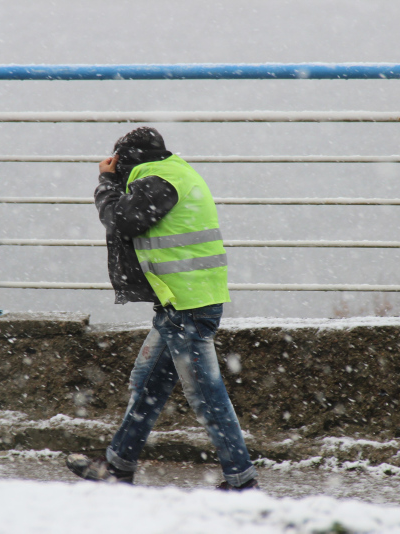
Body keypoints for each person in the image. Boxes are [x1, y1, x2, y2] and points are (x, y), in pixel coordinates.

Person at [65, 126, 258, 490]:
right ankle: (118, 466)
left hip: (187, 308)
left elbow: (122, 220)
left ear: (128, 161)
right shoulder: (173, 173)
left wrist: (106, 182)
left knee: (207, 396)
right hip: (179, 305)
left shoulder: (158, 181)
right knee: (147, 385)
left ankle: (241, 481)